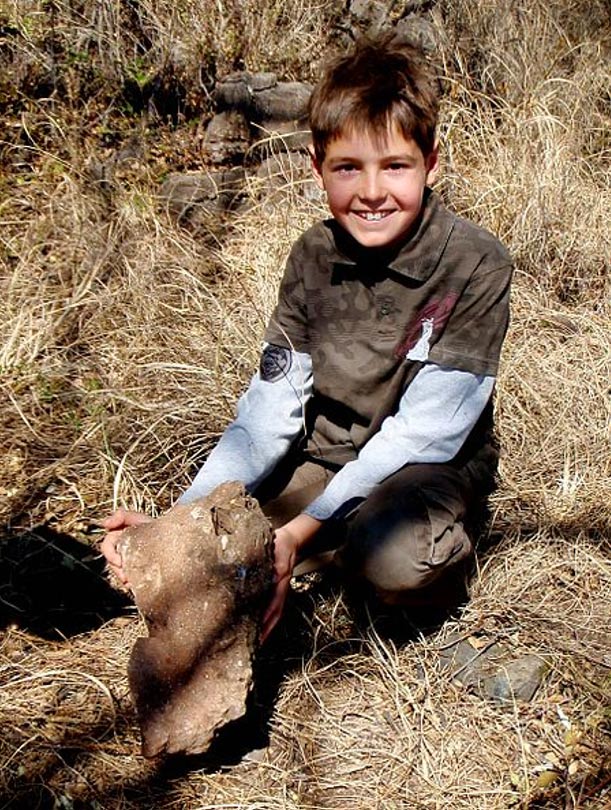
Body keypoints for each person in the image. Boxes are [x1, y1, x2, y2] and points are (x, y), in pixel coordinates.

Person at [102, 33, 512, 643]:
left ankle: (418, 561)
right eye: (348, 168)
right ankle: (329, 540)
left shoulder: (476, 263)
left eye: (395, 166)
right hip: (327, 457)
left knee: (392, 560)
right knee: (217, 551)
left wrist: (299, 533)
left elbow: (428, 430)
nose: (372, 192)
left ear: (432, 162)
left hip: (424, 465)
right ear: (318, 169)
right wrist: (181, 521)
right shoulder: (312, 257)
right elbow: (269, 413)